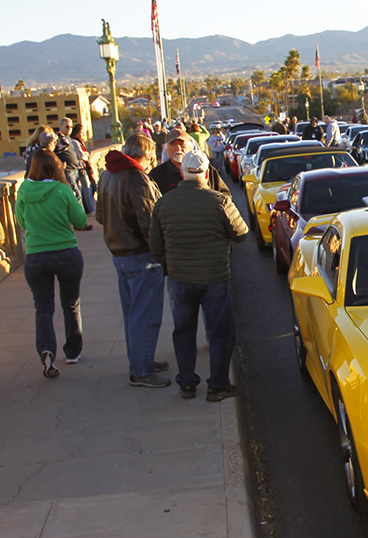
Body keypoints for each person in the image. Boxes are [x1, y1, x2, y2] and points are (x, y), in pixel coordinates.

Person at [149, 150, 248, 401]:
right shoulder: (220, 201)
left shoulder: (164, 203)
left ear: (182, 172)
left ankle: (187, 383)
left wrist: (170, 263)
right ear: (205, 173)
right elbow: (242, 233)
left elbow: (155, 245)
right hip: (215, 277)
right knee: (220, 332)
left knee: (183, 331)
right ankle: (217, 384)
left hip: (180, 279)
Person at [94, 132, 171, 388]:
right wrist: (161, 254)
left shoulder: (107, 174)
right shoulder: (136, 177)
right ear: (148, 155)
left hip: (120, 254)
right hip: (141, 255)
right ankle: (141, 369)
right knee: (146, 314)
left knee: (132, 313)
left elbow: (101, 217)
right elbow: (150, 222)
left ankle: (140, 358)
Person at [14, 150, 89, 378]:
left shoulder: (23, 192)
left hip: (37, 256)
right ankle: (72, 351)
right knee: (71, 304)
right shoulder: (62, 190)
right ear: (56, 167)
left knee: (43, 308)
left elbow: (21, 221)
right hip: (66, 252)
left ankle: (47, 351)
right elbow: (81, 220)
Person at [150, 127, 231, 196]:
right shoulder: (157, 175)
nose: (178, 149)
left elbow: (224, 195)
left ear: (190, 147)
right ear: (166, 149)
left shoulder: (204, 169)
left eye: (182, 145)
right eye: (173, 145)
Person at [54, 118, 84, 208]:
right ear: (60, 126)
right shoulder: (58, 138)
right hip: (67, 171)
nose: (69, 129)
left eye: (71, 127)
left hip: (75, 169)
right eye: (67, 127)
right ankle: (80, 220)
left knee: (79, 193)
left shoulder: (68, 138)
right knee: (76, 195)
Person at [69, 123, 97, 215]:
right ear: (76, 132)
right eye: (81, 132)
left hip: (83, 168)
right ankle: (90, 209)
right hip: (81, 168)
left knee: (87, 188)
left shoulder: (79, 142)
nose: (83, 135)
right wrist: (88, 155)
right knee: (86, 189)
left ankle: (89, 208)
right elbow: (81, 155)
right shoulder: (74, 142)